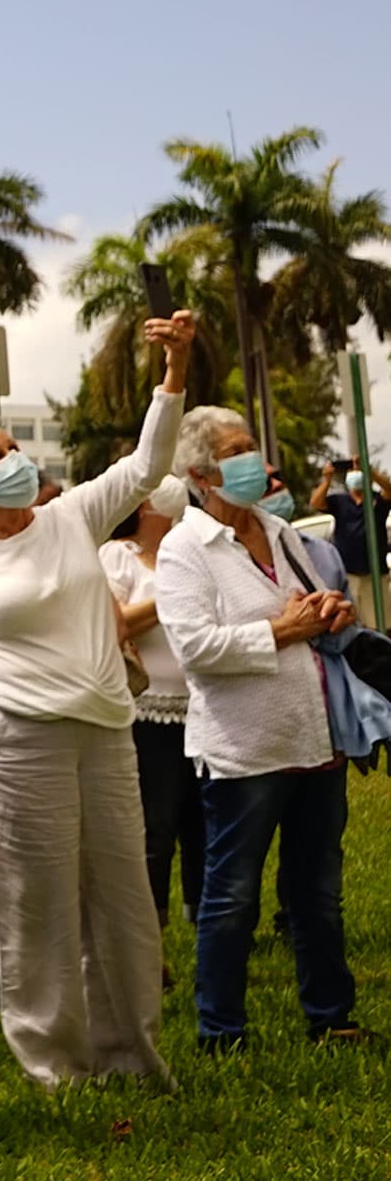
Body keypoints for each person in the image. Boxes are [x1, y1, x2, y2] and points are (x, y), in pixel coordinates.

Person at [0, 311, 193, 1087]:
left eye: (11, 447)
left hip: (106, 733)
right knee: (38, 903)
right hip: (19, 745)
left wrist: (172, 375)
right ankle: (54, 1062)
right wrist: (1, 696)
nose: (12, 459)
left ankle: (130, 1053)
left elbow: (145, 466)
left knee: (125, 899)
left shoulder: (72, 515)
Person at [157, 405, 368, 1050]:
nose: (259, 463)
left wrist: (329, 610)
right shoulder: (184, 547)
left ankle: (331, 1017)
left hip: (313, 736)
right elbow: (196, 648)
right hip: (245, 750)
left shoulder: (280, 531)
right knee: (231, 897)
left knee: (317, 893)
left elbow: (310, 606)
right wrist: (285, 629)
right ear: (202, 472)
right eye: (240, 450)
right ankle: (221, 1029)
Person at [101, 478, 203, 930]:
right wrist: (172, 597)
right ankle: (150, 923)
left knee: (202, 825)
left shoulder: (195, 553)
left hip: (202, 706)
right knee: (156, 826)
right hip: (149, 710)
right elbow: (111, 621)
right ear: (142, 506)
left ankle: (205, 917)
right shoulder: (118, 556)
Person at [313, 461, 390, 628]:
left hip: (375, 575)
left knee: (381, 624)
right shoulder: (340, 501)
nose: (355, 472)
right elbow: (316, 503)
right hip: (348, 575)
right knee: (350, 625)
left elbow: (389, 490)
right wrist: (327, 480)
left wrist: (372, 473)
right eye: (352, 469)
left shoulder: (377, 499)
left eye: (358, 469)